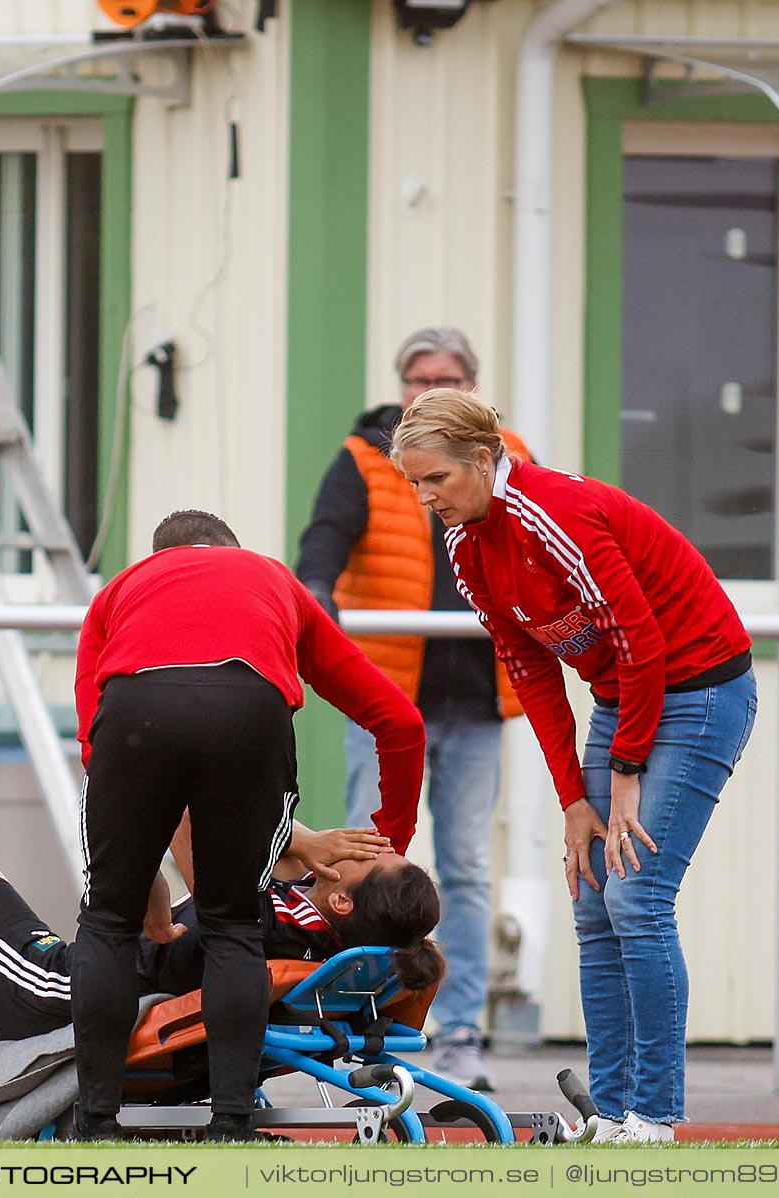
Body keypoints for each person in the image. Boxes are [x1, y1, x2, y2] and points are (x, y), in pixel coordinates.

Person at [389, 390, 756, 1145]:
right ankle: (612, 1113)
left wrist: (623, 777)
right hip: (626, 696)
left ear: (484, 460)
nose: (427, 498)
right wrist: (574, 800)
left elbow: (643, 643)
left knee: (638, 898)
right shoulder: (466, 543)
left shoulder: (549, 514)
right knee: (593, 899)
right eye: (415, 485)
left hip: (700, 689)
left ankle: (653, 1113)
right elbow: (529, 669)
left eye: (437, 481)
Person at [68, 510, 427, 1142]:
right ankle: (231, 1124)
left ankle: (94, 1122)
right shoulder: (273, 580)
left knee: (108, 924)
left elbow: (94, 750)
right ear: (236, 551)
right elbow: (400, 724)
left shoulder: (118, 592)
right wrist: (389, 838)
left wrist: (134, 850)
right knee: (234, 925)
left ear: (157, 560)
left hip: (135, 709)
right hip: (249, 707)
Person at [295, 326, 533, 1090]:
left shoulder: (509, 457)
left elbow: (540, 547)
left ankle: (459, 1030)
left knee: (464, 866)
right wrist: (318, 604)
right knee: (367, 861)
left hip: (474, 700)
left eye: (452, 377)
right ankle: (363, 1018)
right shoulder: (367, 458)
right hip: (388, 700)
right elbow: (323, 547)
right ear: (399, 390)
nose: (435, 387)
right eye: (421, 377)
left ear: (475, 388)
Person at [0, 825, 443, 1049]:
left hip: (60, 990)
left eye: (361, 854)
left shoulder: (260, 914)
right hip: (78, 988)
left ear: (341, 897)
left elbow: (182, 811)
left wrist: (300, 837)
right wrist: (301, 847)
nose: (352, 841)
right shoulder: (323, 946)